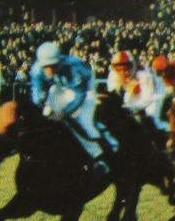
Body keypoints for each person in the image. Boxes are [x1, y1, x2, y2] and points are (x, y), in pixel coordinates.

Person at [30, 40, 116, 171]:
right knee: (46, 117)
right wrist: (41, 108)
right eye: (46, 66)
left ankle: (100, 155)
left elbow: (79, 96)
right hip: (61, 85)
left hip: (85, 88)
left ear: (59, 62)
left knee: (83, 121)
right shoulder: (36, 70)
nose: (49, 70)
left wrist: (63, 112)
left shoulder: (74, 68)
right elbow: (37, 95)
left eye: (53, 65)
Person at [108, 50, 166, 132]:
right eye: (119, 69)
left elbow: (147, 99)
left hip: (156, 92)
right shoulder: (113, 74)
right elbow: (113, 94)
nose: (123, 72)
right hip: (136, 92)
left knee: (151, 115)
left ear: (132, 66)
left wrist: (130, 107)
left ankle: (161, 134)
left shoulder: (144, 75)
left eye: (126, 69)